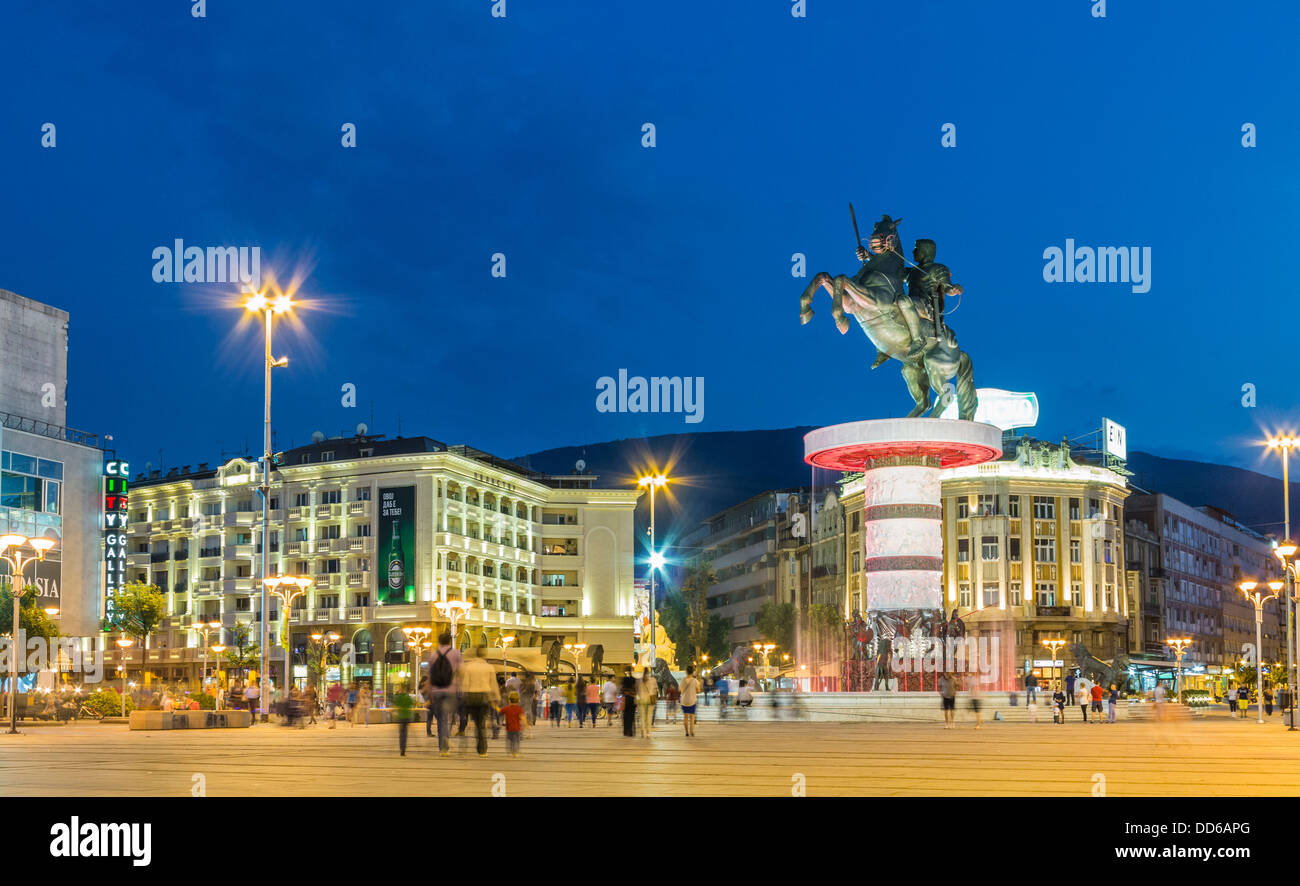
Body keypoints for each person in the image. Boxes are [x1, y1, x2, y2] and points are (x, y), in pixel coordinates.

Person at [458, 647, 500, 756]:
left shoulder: (469, 667)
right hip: (484, 696)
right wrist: (496, 697)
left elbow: (465, 684)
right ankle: (482, 749)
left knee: (476, 723)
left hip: (471, 696)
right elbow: (493, 684)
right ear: (484, 655)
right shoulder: (489, 667)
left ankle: (479, 745)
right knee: (481, 723)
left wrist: (463, 696)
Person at [426, 633, 462, 755]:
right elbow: (460, 672)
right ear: (450, 641)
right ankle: (447, 737)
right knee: (450, 718)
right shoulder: (456, 653)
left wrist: (429, 694)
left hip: (436, 692)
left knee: (441, 720)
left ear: (439, 642)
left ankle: (443, 749)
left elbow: (429, 677)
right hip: (450, 690)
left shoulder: (433, 655)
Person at [392, 682, 414, 756]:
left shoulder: (398, 697)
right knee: (405, 734)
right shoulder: (408, 697)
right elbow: (411, 704)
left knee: (401, 734)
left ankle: (402, 750)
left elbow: (394, 704)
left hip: (400, 717)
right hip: (407, 717)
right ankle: (403, 749)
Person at [501, 691, 525, 757]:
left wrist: (495, 707)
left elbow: (500, 712)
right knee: (516, 740)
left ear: (509, 700)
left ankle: (509, 750)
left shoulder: (506, 708)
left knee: (509, 740)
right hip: (517, 729)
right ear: (518, 700)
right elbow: (523, 719)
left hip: (509, 729)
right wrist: (525, 726)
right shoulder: (519, 709)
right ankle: (515, 752)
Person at [680, 665, 701, 737]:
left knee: (685, 717)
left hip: (684, 700)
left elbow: (680, 690)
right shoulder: (695, 681)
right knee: (692, 717)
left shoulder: (683, 680)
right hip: (692, 700)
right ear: (692, 672)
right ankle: (692, 731)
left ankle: (686, 732)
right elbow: (698, 691)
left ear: (686, 672)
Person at [637, 667, 658, 737]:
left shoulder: (640, 680)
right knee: (649, 716)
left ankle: (643, 730)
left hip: (642, 700)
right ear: (649, 672)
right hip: (650, 699)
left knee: (643, 716)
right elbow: (655, 690)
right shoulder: (653, 680)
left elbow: (638, 691)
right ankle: (648, 732)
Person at [620, 667, 638, 737]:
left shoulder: (623, 679)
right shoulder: (633, 679)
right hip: (632, 700)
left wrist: (625, 692)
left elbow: (621, 690)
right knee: (631, 716)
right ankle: (630, 731)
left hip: (625, 700)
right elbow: (635, 689)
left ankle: (625, 731)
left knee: (625, 716)